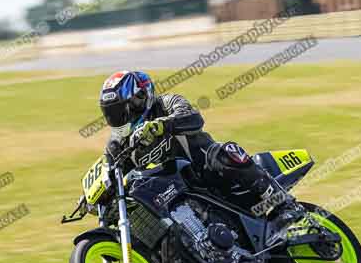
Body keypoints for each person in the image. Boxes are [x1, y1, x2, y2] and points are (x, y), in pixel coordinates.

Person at [98, 70, 304, 233]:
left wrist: (163, 125)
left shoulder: (168, 103)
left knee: (225, 151)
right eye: (113, 114)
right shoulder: (119, 143)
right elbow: (112, 172)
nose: (120, 118)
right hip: (175, 188)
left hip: (206, 168)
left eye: (123, 109)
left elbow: (194, 119)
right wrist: (97, 194)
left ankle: (283, 204)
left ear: (141, 97)